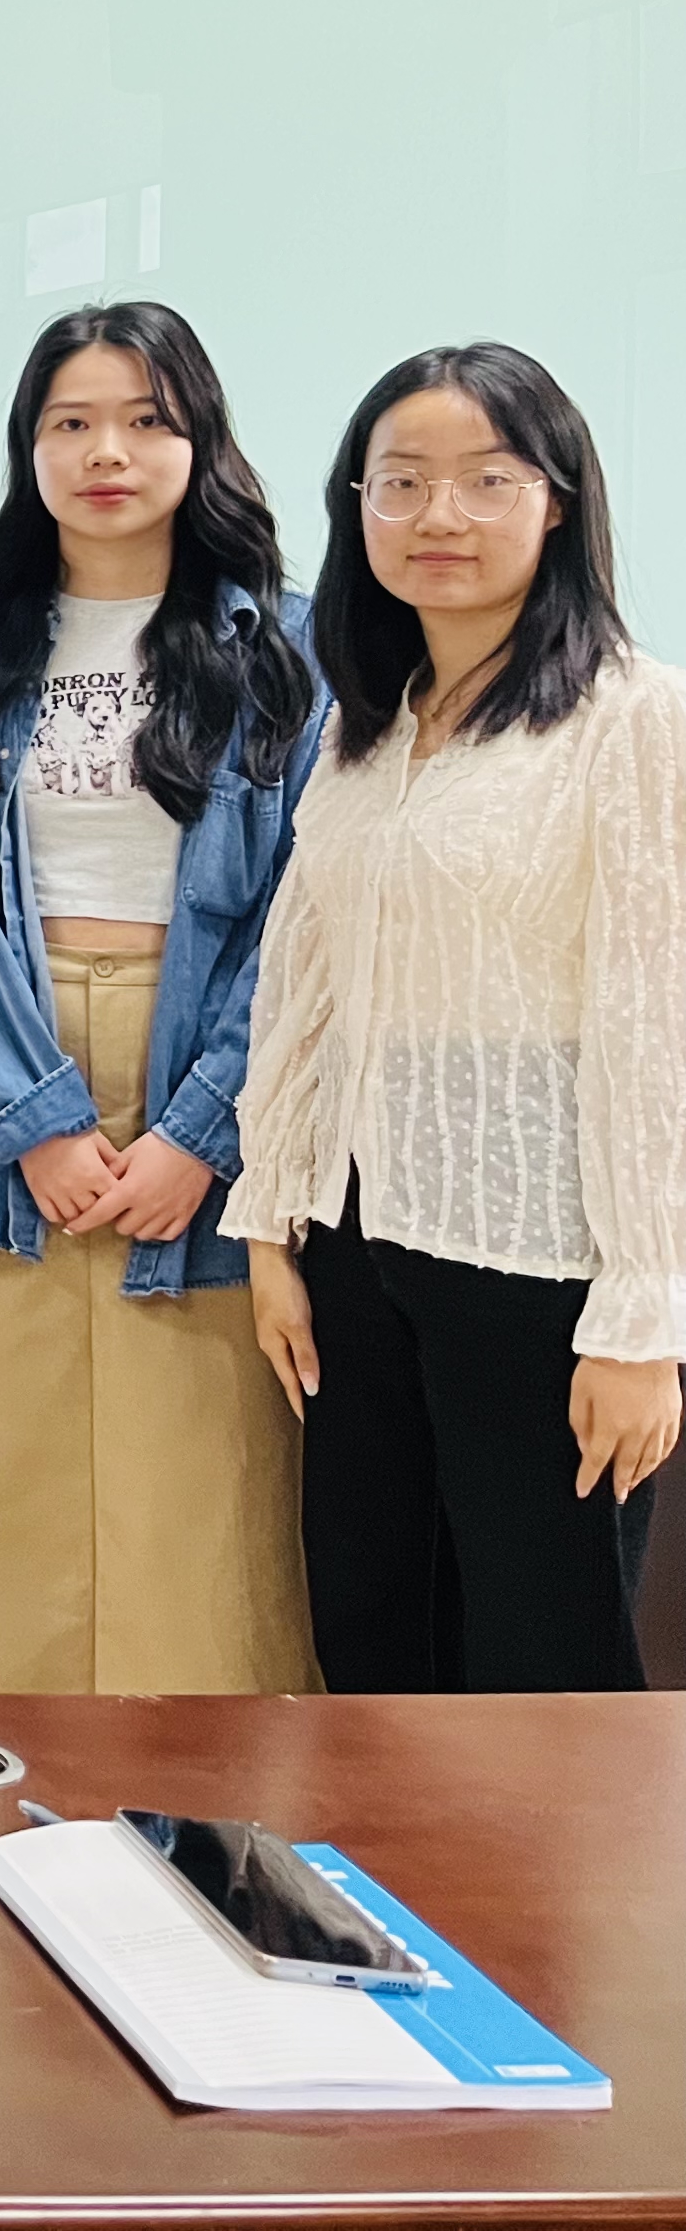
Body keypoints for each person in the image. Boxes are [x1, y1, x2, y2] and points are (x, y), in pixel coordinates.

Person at [231, 343, 685, 1691]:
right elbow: (305, 986)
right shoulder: (367, 728)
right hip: (357, 1246)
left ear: (559, 500)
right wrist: (274, 1223)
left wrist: (644, 1318)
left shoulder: (632, 720)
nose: (441, 515)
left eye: (489, 480)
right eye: (402, 482)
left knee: (547, 1669)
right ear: (357, 505)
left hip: (540, 1261)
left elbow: (656, 1025)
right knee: (374, 1644)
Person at [0, 304, 324, 1695]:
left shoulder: (290, 653)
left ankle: (210, 1794)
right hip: (10, 1079)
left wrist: (203, 1131)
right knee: (5, 1467)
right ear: (28, 448)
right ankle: (9, 1785)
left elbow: (308, 915)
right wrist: (35, 1119)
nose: (107, 454)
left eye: (146, 421)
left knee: (208, 1483)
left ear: (202, 442)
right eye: (70, 423)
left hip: (214, 1067)